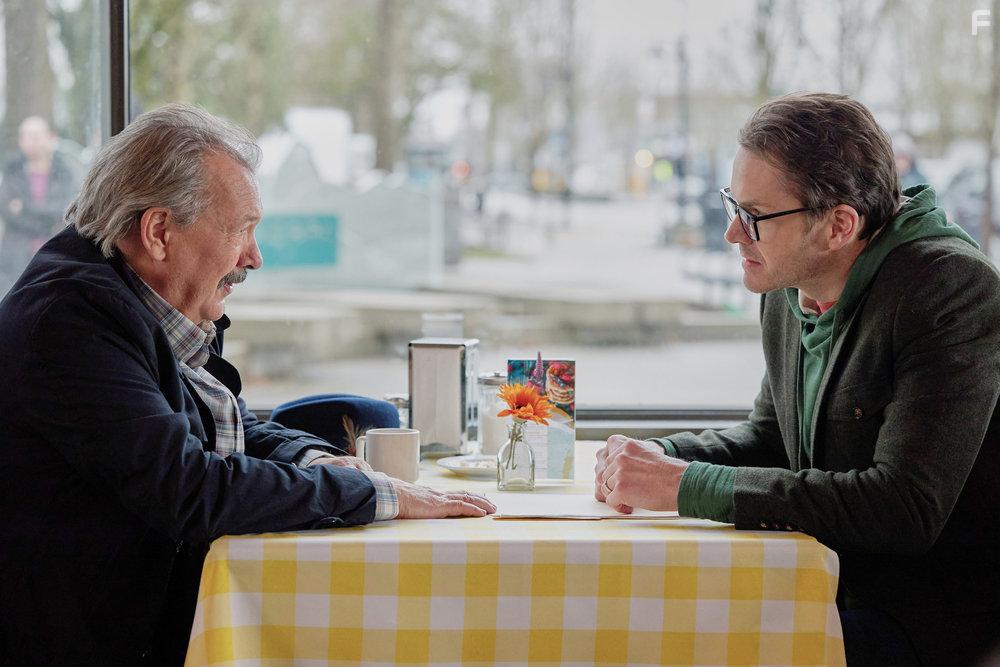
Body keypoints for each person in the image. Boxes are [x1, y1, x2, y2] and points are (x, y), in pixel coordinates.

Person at [0, 104, 495, 665]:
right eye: (241, 230)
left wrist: (316, 460)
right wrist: (375, 495)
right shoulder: (69, 323)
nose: (254, 258)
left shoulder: (138, 301)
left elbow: (224, 430)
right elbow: (189, 488)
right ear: (159, 232)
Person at [594, 93, 1000, 666]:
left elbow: (903, 508)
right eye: (733, 204)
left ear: (838, 226)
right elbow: (772, 438)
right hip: (820, 578)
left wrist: (685, 484)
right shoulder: (792, 284)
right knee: (633, 624)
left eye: (755, 216)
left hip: (922, 612)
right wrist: (661, 456)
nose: (733, 233)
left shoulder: (950, 290)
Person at [0, 116, 80, 294]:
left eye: (35, 136)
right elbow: (7, 209)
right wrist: (47, 220)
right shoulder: (11, 170)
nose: (30, 142)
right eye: (25, 136)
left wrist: (24, 209)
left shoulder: (65, 172)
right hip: (16, 257)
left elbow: (65, 210)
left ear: (51, 137)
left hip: (54, 253)